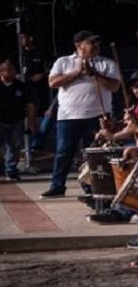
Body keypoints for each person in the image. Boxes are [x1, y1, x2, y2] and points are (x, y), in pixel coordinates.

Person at [42, 30, 120, 198]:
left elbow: (115, 86)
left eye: (97, 43)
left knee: (94, 153)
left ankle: (92, 187)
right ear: (79, 46)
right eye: (91, 43)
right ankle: (57, 186)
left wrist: (95, 74)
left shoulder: (106, 63)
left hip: (98, 115)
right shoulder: (63, 62)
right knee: (64, 151)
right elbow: (52, 82)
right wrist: (77, 72)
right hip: (69, 115)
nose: (96, 46)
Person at [0, 61, 35, 181]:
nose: (11, 72)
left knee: (14, 146)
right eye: (8, 70)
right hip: (1, 120)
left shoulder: (21, 86)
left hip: (16, 120)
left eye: (12, 70)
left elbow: (30, 104)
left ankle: (11, 171)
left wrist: (31, 123)